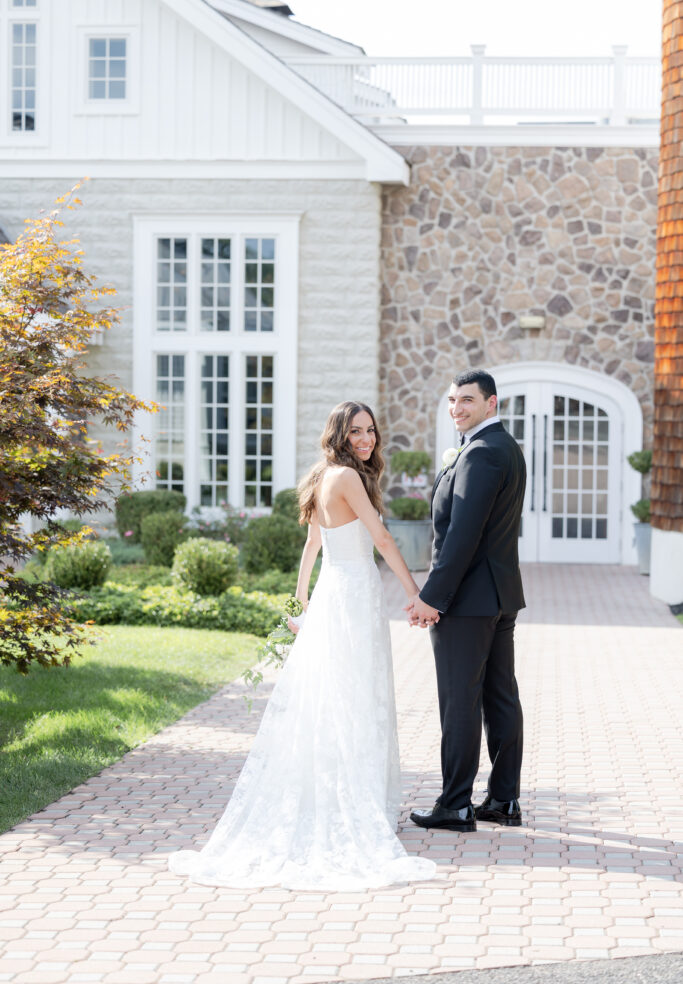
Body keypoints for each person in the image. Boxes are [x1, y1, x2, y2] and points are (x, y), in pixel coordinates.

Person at [169, 401, 436, 890]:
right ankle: (352, 803)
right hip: (351, 597)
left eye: (371, 431)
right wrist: (416, 593)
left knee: (336, 696)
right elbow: (380, 537)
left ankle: (343, 796)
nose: (366, 439)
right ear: (338, 432)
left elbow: (313, 546)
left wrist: (299, 605)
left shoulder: (323, 476)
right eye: (356, 431)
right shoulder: (348, 479)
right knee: (354, 696)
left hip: (337, 595)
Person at [406, 370, 526, 833]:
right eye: (453, 401)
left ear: (491, 403)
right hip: (500, 596)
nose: (457, 408)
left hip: (467, 602)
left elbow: (462, 536)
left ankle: (455, 804)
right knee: (500, 697)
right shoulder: (506, 449)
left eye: (468, 401)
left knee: (460, 700)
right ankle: (504, 799)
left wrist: (431, 597)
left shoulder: (480, 453)